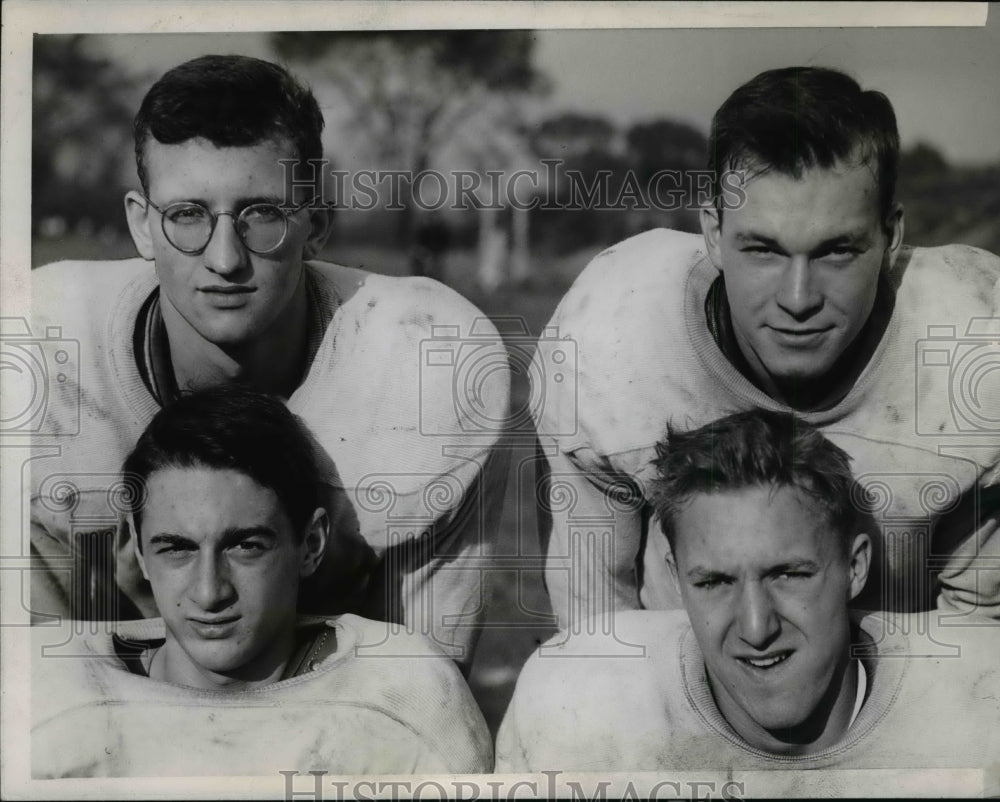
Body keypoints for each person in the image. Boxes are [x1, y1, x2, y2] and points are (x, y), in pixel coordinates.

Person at [29, 54, 510, 667]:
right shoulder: (48, 356)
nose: (225, 258)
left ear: (316, 222)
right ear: (141, 226)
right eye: (187, 215)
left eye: (263, 215)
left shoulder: (424, 367)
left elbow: (423, 699)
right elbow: (39, 703)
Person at [532, 66, 1000, 628]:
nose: (798, 299)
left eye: (837, 252)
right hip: (677, 683)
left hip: (905, 682)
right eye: (763, 250)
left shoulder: (973, 347)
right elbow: (595, 635)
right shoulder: (615, 339)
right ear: (713, 233)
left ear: (892, 239)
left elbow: (977, 644)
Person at [497, 411, 1000, 788]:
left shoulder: (979, 707)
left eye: (788, 575)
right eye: (714, 582)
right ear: (675, 580)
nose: (757, 628)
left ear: (856, 567)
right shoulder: (577, 712)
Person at [32, 385, 493, 777]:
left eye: (245, 546)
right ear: (136, 548)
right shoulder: (50, 690)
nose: (210, 592)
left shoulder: (406, 695)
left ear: (310, 544)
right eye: (177, 548)